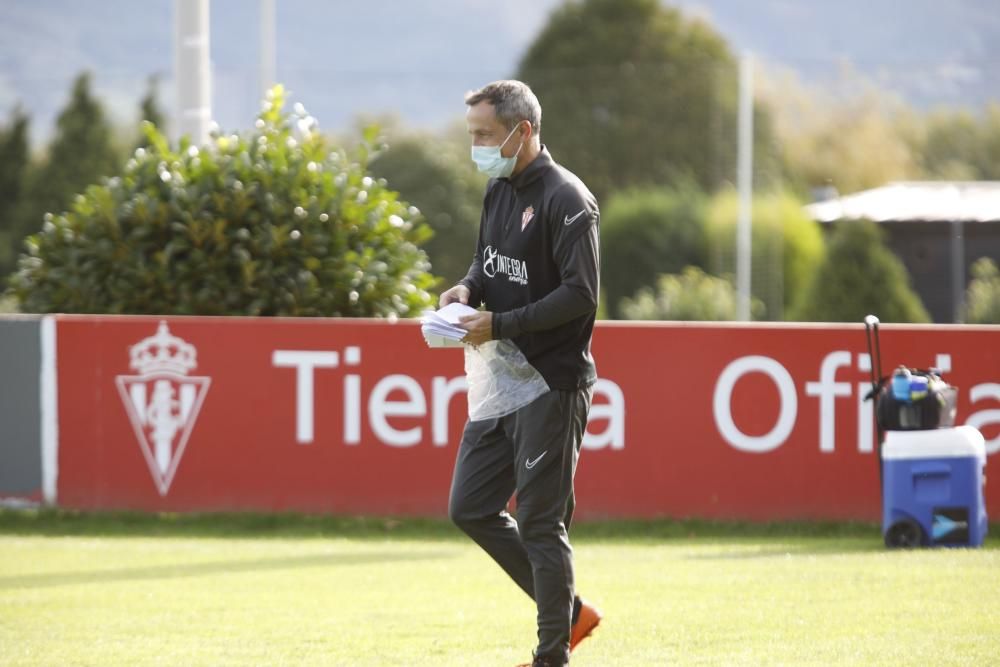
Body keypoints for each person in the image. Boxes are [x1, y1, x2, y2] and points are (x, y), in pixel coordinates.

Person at [441, 79, 602, 667]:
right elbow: (486, 267)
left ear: (522, 131)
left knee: (540, 520)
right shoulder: (498, 188)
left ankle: (551, 655)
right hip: (501, 380)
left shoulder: (568, 199)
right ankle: (572, 612)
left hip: (551, 384)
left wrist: (499, 323)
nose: (476, 145)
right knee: (471, 507)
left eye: (484, 134)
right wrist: (465, 290)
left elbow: (581, 296)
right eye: (473, 134)